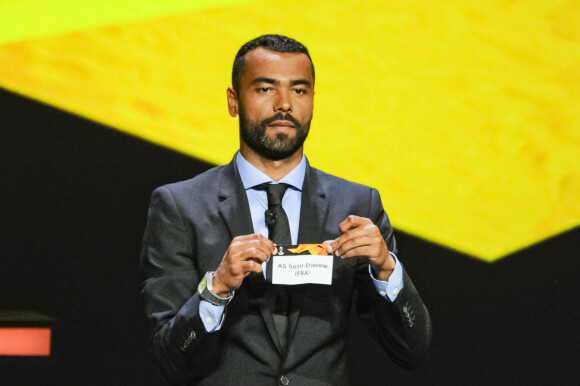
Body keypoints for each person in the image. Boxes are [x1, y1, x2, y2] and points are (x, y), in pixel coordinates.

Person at [140, 34, 431, 385]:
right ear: (233, 101)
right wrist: (216, 290)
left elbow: (411, 350)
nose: (284, 105)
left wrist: (387, 271)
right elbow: (169, 359)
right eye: (265, 89)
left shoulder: (356, 205)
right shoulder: (180, 206)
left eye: (299, 90)